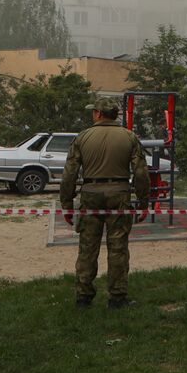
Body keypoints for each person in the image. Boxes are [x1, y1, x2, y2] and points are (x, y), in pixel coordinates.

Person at [60, 98, 149, 309]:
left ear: (99, 114)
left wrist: (67, 203)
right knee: (118, 248)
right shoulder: (129, 137)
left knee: (87, 247)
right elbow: (140, 172)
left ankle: (83, 297)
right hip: (119, 194)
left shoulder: (83, 137)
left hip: (90, 194)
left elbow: (69, 173)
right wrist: (143, 201)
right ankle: (117, 297)